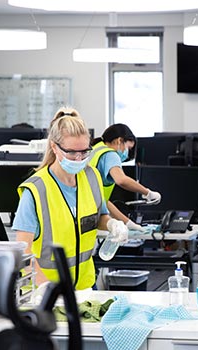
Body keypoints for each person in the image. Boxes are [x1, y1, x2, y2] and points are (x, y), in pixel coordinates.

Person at [12, 107, 128, 290]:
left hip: (85, 287)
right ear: (54, 147)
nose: (79, 158)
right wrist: (45, 288)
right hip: (44, 292)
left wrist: (113, 224)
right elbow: (23, 250)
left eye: (84, 151)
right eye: (72, 152)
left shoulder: (92, 177)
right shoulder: (36, 189)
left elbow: (99, 217)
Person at [89, 123, 162, 231]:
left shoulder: (95, 150)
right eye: (128, 147)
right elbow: (121, 180)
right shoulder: (110, 155)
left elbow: (103, 201)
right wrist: (147, 192)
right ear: (119, 141)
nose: (127, 154)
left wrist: (128, 223)